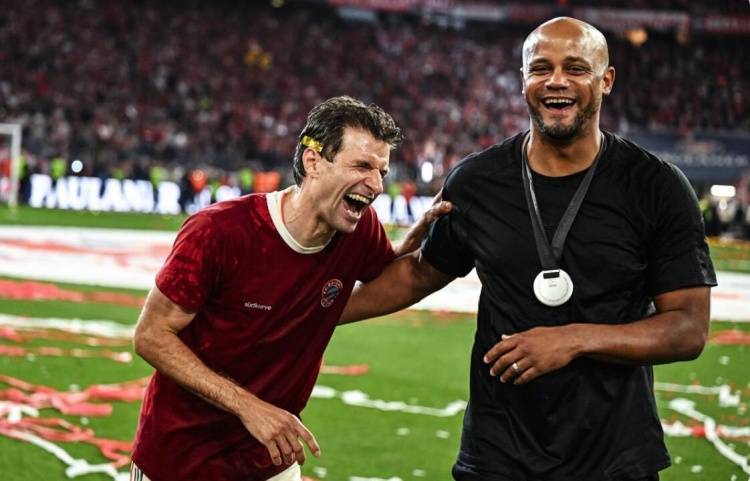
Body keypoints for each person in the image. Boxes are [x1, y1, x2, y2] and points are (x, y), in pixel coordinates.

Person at [341, 17, 717, 481]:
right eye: (541, 68)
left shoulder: (656, 186)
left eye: (575, 68)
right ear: (523, 81)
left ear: (606, 80)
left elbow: (688, 328)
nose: (556, 81)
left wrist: (575, 339)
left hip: (613, 458)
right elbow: (419, 273)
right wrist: (313, 312)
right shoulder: (478, 181)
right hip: (498, 454)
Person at [131, 96, 450, 481]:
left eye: (382, 171)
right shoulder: (218, 232)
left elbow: (385, 274)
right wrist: (248, 406)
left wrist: (426, 236)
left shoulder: (358, 230)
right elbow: (151, 335)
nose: (377, 185)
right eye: (362, 166)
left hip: (272, 455)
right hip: (181, 458)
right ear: (313, 161)